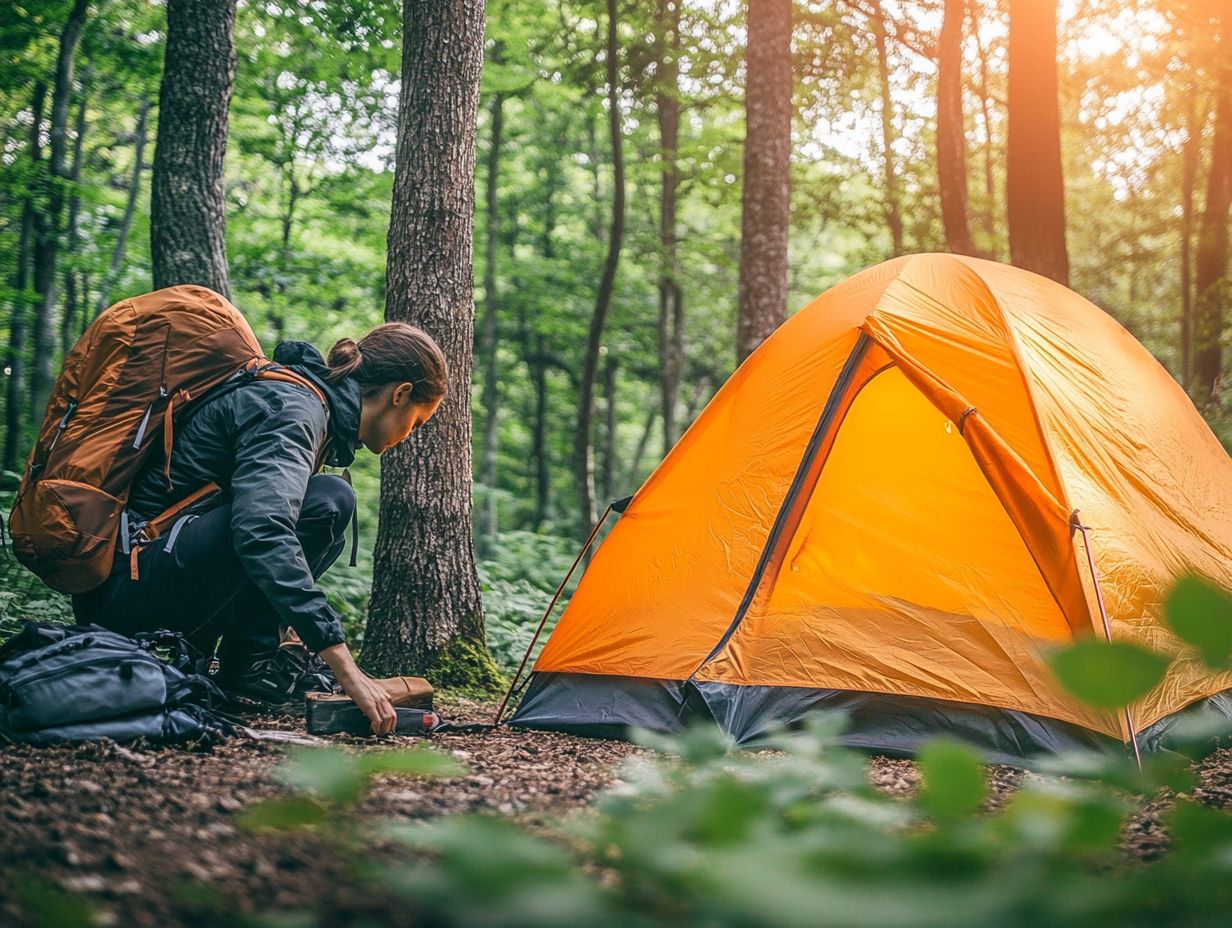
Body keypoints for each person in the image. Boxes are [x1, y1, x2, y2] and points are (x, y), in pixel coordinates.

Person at [71, 323, 446, 734]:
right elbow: (261, 530)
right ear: (400, 394)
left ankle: (249, 666)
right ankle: (244, 662)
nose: (411, 434)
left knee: (323, 499)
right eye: (419, 422)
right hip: (129, 589)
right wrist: (345, 667)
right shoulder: (293, 408)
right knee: (327, 500)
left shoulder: (303, 404)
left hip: (150, 573)